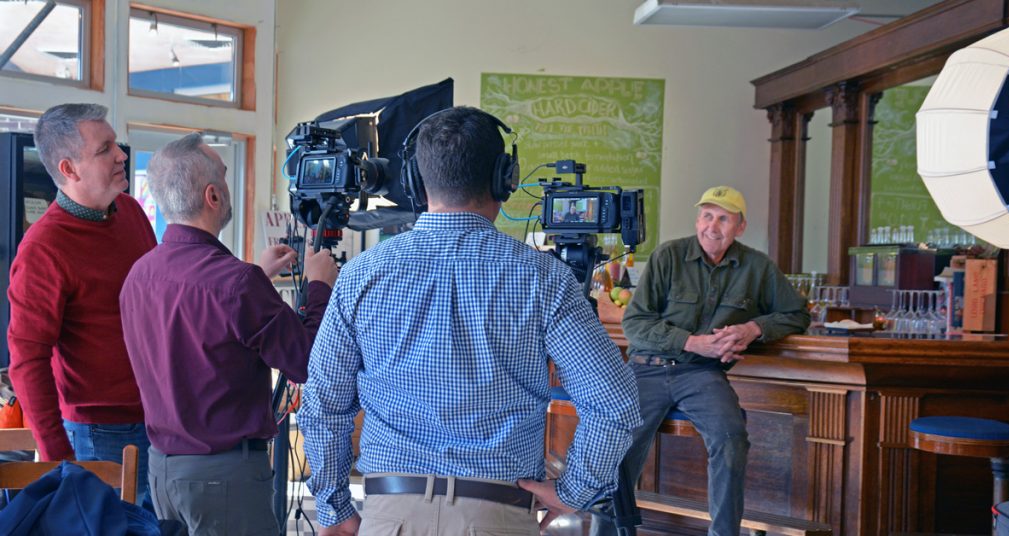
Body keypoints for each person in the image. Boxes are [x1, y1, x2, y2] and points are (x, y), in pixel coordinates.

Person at [298, 106, 641, 535]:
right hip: (498, 516)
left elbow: (323, 403)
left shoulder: (361, 275)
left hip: (390, 516)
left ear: (416, 183)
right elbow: (615, 403)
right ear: (505, 178)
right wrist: (575, 491)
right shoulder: (544, 280)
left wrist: (333, 506)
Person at [118, 133, 339, 535]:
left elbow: (198, 318)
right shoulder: (237, 284)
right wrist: (321, 285)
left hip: (162, 471)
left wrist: (257, 274)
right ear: (212, 196)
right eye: (223, 174)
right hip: (223, 478)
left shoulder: (139, 274)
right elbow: (306, 360)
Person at [591, 186, 810, 536]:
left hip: (702, 375)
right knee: (616, 448)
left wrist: (754, 327)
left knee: (731, 438)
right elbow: (635, 324)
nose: (713, 225)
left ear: (740, 227)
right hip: (646, 369)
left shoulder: (758, 267)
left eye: (723, 218)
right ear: (697, 220)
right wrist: (695, 342)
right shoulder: (668, 256)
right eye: (707, 216)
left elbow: (797, 314)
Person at [7, 103, 157, 507]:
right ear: (69, 169)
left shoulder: (131, 212)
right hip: (97, 433)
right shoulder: (43, 249)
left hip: (160, 417)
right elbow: (27, 362)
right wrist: (58, 458)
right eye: (105, 148)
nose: (121, 155)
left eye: (116, 144)